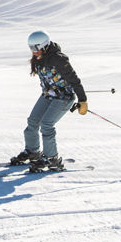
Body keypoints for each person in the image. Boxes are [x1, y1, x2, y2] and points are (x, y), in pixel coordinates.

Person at [10, 31, 87, 171]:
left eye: (36, 48)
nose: (33, 52)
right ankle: (33, 152)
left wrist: (83, 100)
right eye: (31, 48)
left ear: (44, 46)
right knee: (33, 121)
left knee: (46, 124)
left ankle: (52, 159)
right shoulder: (39, 58)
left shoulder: (59, 59)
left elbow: (74, 80)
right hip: (48, 95)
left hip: (63, 97)